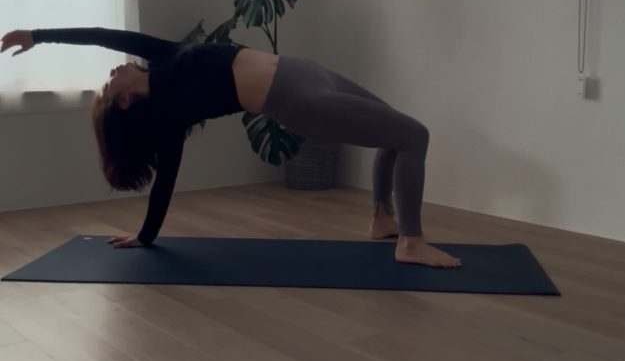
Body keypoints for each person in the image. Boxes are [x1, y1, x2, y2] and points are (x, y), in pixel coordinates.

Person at [0, 27, 461, 268]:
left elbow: (104, 35)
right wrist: (146, 235)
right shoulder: (172, 112)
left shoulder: (165, 55)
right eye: (109, 81)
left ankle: (382, 218)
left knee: (393, 130)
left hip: (309, 71)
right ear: (124, 101)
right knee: (413, 135)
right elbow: (167, 176)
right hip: (299, 98)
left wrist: (38, 35)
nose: (114, 69)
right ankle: (411, 242)